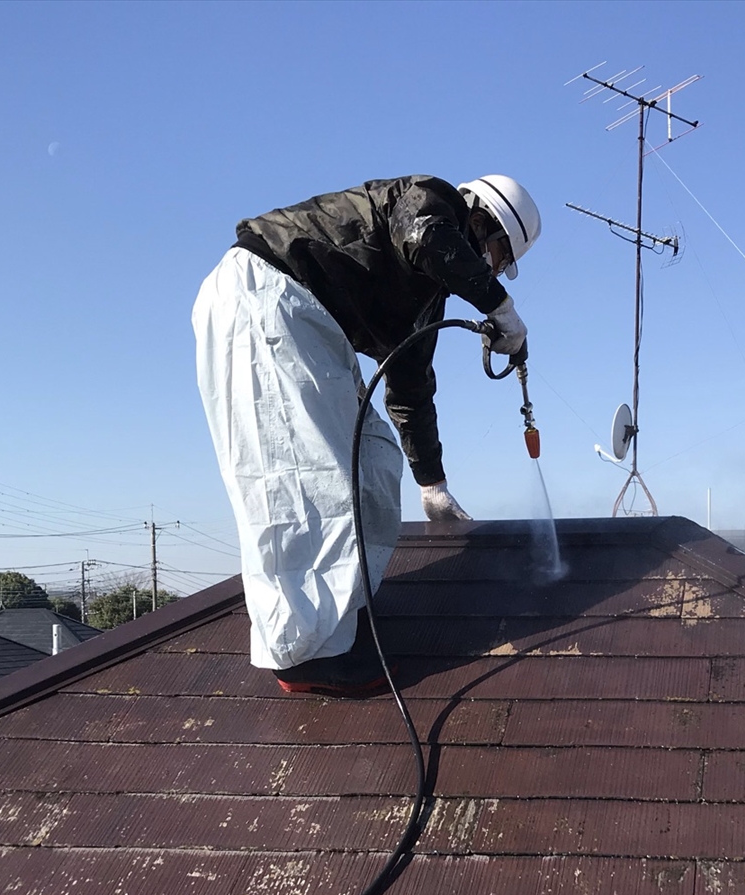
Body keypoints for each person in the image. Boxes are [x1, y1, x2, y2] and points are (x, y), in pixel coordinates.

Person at [192, 174, 540, 697]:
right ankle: (305, 657)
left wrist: (433, 486)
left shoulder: (425, 299)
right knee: (307, 478)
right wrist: (501, 306)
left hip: (304, 318)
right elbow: (428, 235)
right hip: (266, 293)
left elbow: (410, 387)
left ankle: (342, 612)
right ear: (483, 223)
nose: (490, 269)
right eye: (495, 257)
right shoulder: (428, 199)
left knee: (373, 460)